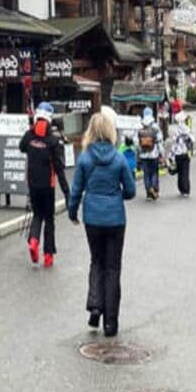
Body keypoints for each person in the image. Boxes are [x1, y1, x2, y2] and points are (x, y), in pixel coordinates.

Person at [68, 106, 136, 337]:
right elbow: (131, 191)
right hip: (115, 219)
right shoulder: (118, 159)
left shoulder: (85, 158)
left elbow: (76, 189)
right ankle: (111, 323)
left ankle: (95, 308)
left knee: (96, 261)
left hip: (93, 219)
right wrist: (117, 194)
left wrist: (72, 211)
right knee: (113, 268)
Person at [20, 102, 70, 268]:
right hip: (48, 186)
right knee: (49, 219)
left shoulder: (29, 136)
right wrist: (67, 193)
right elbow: (59, 169)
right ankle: (48, 255)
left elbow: (21, 147)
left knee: (37, 215)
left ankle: (33, 241)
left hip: (32, 183)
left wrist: (30, 134)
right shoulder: (52, 141)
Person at [136, 106, 165, 199]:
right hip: (154, 154)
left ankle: (148, 192)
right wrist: (162, 153)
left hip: (143, 154)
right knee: (154, 172)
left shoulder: (140, 125)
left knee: (146, 173)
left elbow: (136, 142)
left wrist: (139, 151)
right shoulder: (155, 126)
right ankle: (154, 188)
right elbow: (160, 141)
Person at [168, 118, 195, 196]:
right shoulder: (188, 133)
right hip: (185, 154)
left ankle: (181, 189)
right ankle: (186, 189)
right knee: (185, 172)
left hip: (178, 154)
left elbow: (173, 145)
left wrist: (170, 155)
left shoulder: (176, 133)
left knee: (179, 173)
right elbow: (192, 140)